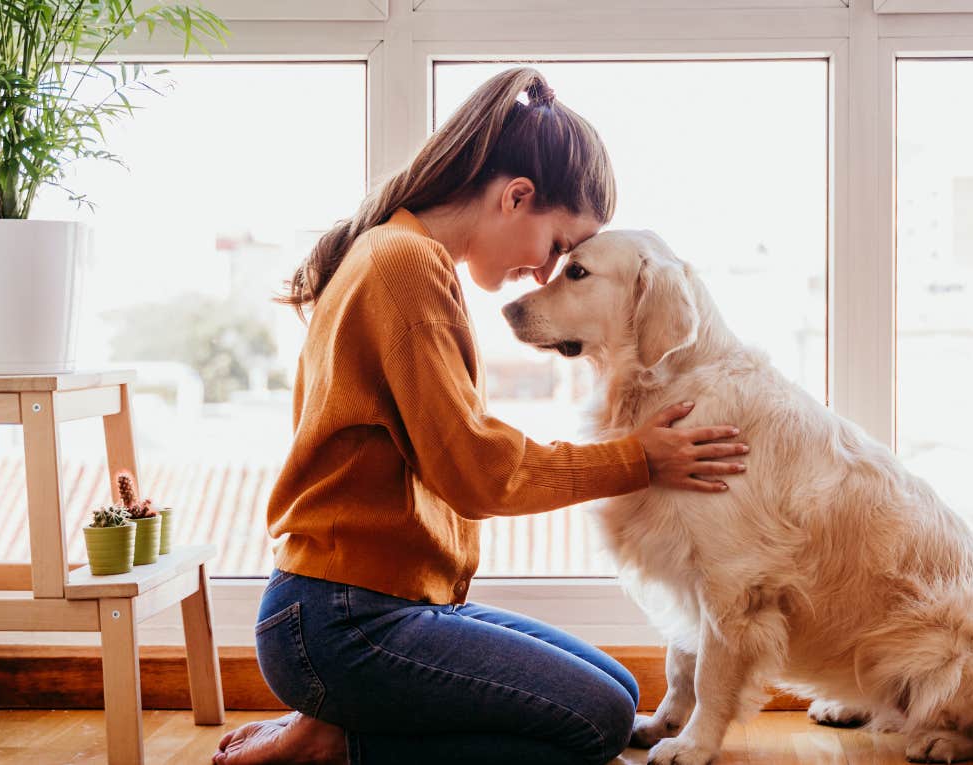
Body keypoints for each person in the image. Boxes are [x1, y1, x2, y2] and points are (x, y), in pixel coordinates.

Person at [212, 67, 748, 765]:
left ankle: (333, 722)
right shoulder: (404, 266)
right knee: (598, 720)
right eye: (557, 246)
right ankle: (342, 742)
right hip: (340, 619)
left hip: (376, 607)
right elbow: (477, 470)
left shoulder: (400, 251)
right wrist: (637, 458)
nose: (545, 272)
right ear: (516, 196)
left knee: (617, 689)